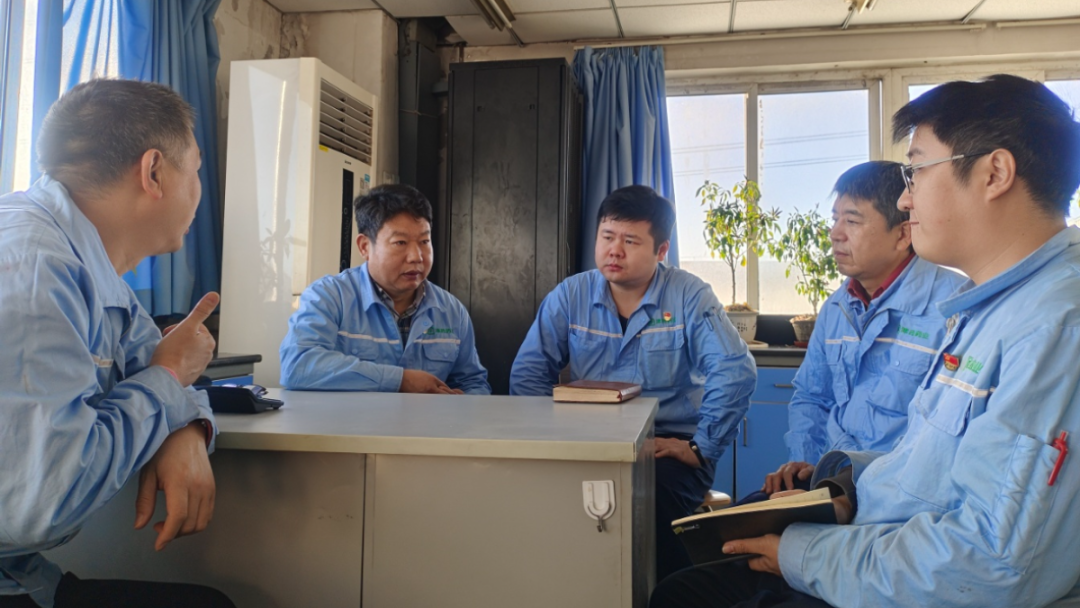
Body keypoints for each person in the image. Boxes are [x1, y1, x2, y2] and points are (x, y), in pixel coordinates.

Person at [650, 74, 1080, 608]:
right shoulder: (986, 309)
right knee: (688, 579)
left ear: (994, 173)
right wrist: (841, 482)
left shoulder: (1055, 326)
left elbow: (992, 562)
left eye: (916, 170)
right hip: (870, 532)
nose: (905, 197)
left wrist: (805, 554)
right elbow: (923, 467)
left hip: (906, 574)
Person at [0, 80, 234, 607]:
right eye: (196, 170)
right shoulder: (35, 270)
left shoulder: (89, 267)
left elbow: (159, 363)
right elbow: (45, 502)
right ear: (153, 172)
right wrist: (166, 380)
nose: (199, 190)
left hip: (21, 573)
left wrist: (187, 430)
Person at [510, 185, 757, 581]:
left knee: (646, 502)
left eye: (630, 241)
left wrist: (701, 447)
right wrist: (548, 439)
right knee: (547, 504)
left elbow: (735, 369)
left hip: (668, 444)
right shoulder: (571, 295)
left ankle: (669, 594)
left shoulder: (689, 295)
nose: (614, 251)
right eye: (607, 237)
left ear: (661, 250)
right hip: (587, 441)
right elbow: (528, 373)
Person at [756, 161, 964, 498]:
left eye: (852, 221)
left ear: (903, 234)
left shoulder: (953, 309)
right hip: (830, 477)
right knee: (732, 525)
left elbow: (943, 438)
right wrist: (804, 462)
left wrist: (850, 490)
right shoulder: (837, 307)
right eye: (835, 219)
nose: (835, 233)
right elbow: (812, 396)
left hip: (897, 494)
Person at [280, 184, 490, 395]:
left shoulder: (451, 311)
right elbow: (297, 366)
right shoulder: (329, 297)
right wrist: (400, 380)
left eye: (424, 241)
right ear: (364, 246)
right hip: (352, 418)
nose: (416, 256)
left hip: (429, 418)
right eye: (400, 242)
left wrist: (465, 402)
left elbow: (473, 383)